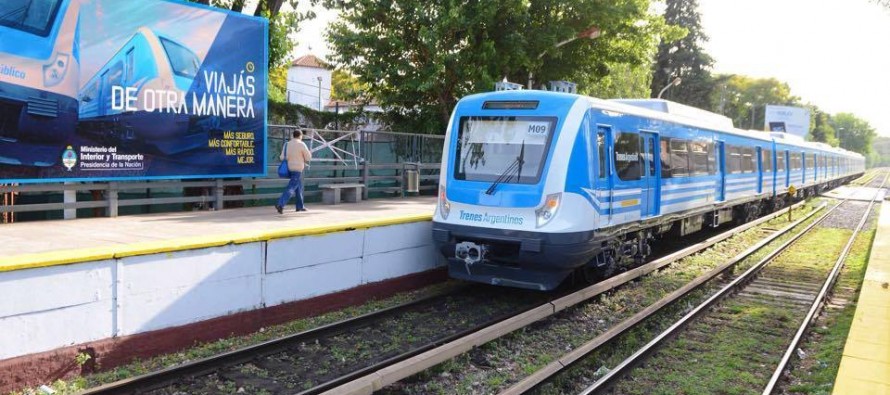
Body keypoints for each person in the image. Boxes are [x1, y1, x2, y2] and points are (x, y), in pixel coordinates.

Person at [276, 129, 312, 214]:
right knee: (291, 187)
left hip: (289, 168)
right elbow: (308, 158)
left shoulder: (287, 144)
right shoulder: (301, 144)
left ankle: (300, 206)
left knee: (298, 186)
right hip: (297, 169)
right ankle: (280, 204)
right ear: (300, 136)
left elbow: (281, 157)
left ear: (293, 135)